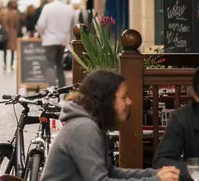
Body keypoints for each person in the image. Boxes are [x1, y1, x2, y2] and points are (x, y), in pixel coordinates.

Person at [40, 70, 179, 181]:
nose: (129, 102)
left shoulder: (92, 125)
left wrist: (154, 174)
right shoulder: (84, 129)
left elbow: (110, 172)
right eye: (124, 97)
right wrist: (155, 179)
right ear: (106, 101)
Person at [36, 0, 78, 87]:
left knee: (50, 64)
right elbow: (73, 24)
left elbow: (41, 24)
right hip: (62, 41)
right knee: (59, 64)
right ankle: (62, 87)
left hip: (49, 40)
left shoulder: (48, 7)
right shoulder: (68, 8)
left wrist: (42, 34)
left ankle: (52, 88)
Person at [0, 0, 22, 71]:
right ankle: (11, 64)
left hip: (5, 32)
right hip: (13, 33)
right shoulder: (16, 13)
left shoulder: (3, 11)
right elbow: (17, 24)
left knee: (5, 49)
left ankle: (5, 64)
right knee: (12, 49)